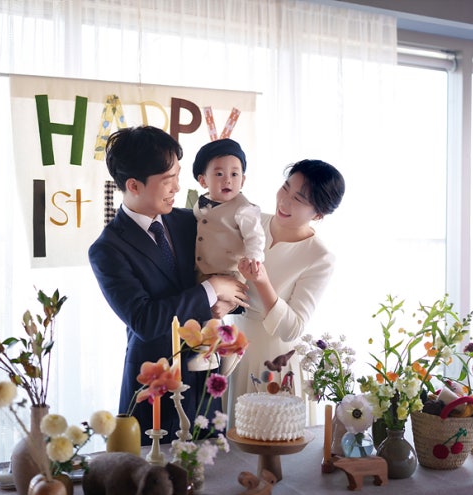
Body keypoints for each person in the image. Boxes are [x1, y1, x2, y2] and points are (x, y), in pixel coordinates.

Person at [88, 125, 248, 444]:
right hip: (154, 385)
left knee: (211, 465)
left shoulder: (191, 221)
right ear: (133, 185)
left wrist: (228, 300)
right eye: (167, 179)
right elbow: (145, 320)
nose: (177, 186)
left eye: (177, 175)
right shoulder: (107, 250)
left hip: (205, 378)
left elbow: (229, 272)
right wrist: (212, 288)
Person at [225, 159, 346, 423]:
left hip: (274, 362)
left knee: (268, 438)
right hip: (231, 350)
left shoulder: (319, 257)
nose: (284, 201)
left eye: (298, 199)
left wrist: (262, 281)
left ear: (318, 214)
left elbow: (293, 328)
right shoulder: (251, 222)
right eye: (285, 188)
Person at [192, 138, 265, 286]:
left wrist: (253, 258)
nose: (227, 180)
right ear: (203, 181)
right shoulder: (200, 203)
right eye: (219, 174)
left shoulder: (244, 209)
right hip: (200, 271)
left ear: (242, 180)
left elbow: (255, 237)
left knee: (226, 299)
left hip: (230, 274)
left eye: (234, 174)